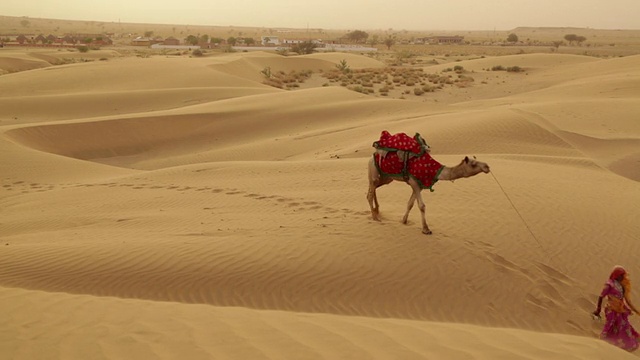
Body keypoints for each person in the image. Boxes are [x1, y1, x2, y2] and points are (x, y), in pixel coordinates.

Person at [593, 265, 640, 352]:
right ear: (617, 275)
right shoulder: (609, 284)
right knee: (610, 325)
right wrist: (598, 309)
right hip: (611, 309)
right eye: (622, 275)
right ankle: (601, 343)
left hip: (620, 310)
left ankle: (622, 345)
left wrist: (636, 310)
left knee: (624, 326)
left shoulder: (622, 286)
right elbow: (601, 296)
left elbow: (627, 301)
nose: (623, 277)